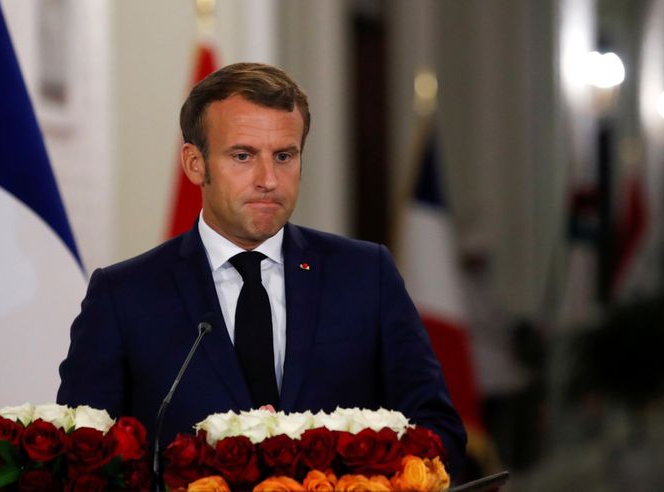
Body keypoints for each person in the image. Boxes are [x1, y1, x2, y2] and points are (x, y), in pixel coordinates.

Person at [56, 62, 466, 474]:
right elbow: (82, 460)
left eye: (284, 156)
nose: (269, 179)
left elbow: (437, 430)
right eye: (243, 155)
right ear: (195, 163)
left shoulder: (365, 276)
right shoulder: (125, 296)